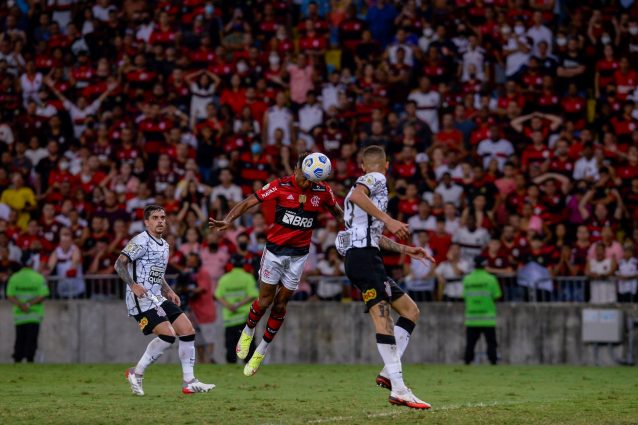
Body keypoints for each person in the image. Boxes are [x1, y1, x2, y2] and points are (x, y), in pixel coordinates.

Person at [209, 152, 344, 376]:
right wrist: (228, 220)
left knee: (281, 305)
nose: (307, 180)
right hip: (274, 252)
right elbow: (249, 202)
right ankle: (248, 330)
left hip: (299, 255)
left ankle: (261, 351)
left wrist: (352, 224)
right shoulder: (280, 185)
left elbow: (338, 213)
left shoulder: (322, 191)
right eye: (304, 174)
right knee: (264, 302)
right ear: (297, 169)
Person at [335, 145, 434, 410]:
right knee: (383, 318)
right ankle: (400, 389)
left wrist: (405, 249)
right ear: (386, 165)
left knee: (410, 310)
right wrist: (390, 220)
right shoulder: (376, 179)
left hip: (366, 256)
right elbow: (357, 194)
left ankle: (388, 373)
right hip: (364, 259)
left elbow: (372, 234)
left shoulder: (371, 192)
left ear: (362, 165)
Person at [114, 205, 214, 396]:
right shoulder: (140, 241)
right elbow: (119, 264)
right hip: (140, 299)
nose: (160, 221)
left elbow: (156, 274)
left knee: (187, 330)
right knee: (168, 336)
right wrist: (133, 285)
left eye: (163, 217)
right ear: (146, 222)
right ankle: (136, 372)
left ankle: (189, 381)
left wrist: (168, 290)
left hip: (157, 296)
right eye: (155, 218)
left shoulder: (165, 245)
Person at [215, 254, 259, 364]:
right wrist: (238, 304)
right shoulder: (247, 277)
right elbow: (253, 294)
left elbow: (218, 295)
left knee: (231, 348)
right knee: (248, 347)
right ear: (244, 264)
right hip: (245, 318)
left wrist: (229, 306)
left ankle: (232, 369)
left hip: (229, 319)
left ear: (231, 265)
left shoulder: (225, 279)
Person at [6, 251, 49, 363]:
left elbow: (10, 295)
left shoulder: (14, 277)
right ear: (32, 262)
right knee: (31, 339)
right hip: (34, 314)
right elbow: (43, 294)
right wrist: (29, 304)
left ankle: (17, 360)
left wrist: (21, 305)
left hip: (19, 315)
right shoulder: (38, 277)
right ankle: (30, 360)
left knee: (20, 338)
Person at [462, 256, 501, 365]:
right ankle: (493, 362)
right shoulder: (491, 279)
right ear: (485, 265)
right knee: (491, 343)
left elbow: (464, 295)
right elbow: (497, 295)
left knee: (470, 343)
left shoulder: (467, 279)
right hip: (488, 318)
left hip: (472, 318)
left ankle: (467, 362)